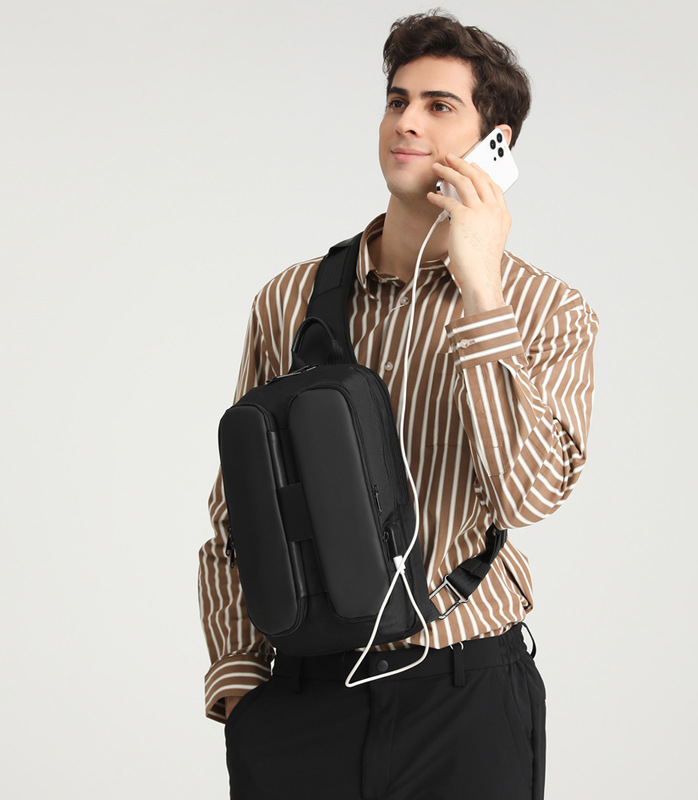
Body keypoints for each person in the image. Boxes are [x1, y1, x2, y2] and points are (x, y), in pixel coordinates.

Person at [199, 10, 598, 800]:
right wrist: (241, 685)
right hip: (305, 703)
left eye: (439, 106)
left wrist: (482, 291)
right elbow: (237, 511)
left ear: (495, 145)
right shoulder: (292, 299)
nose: (406, 121)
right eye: (396, 100)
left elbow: (528, 495)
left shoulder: (548, 310)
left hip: (464, 696)